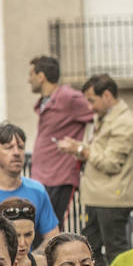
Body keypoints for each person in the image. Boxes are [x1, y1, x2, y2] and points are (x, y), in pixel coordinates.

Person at [59, 74, 133, 266]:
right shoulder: (105, 118)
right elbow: (101, 151)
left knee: (116, 253)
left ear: (107, 95)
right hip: (98, 196)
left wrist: (80, 150)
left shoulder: (124, 122)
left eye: (92, 100)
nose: (89, 106)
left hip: (112, 198)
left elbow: (111, 162)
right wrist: (81, 147)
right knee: (90, 249)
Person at [27, 54, 93, 226]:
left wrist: (85, 148)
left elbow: (99, 114)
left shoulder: (68, 98)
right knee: (37, 227)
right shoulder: (45, 101)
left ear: (41, 76)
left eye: (31, 75)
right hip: (41, 176)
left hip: (60, 176)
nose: (29, 80)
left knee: (52, 228)